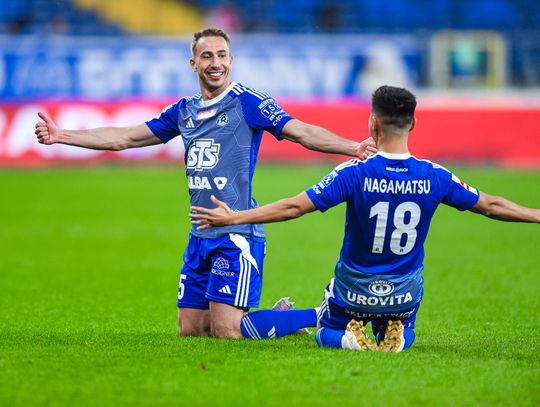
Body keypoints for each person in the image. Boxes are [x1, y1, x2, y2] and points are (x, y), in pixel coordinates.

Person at [34, 28, 376, 339]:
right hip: (199, 233)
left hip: (236, 231)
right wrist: (61, 135)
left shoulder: (248, 102)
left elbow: (300, 131)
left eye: (222, 55)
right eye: (207, 56)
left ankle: (319, 314)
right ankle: (277, 317)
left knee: (227, 331)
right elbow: (124, 137)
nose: (216, 63)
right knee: (193, 330)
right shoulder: (184, 110)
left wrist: (352, 148)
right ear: (193, 63)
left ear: (231, 61)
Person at [189, 85, 540, 351]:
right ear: (413, 123)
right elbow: (491, 205)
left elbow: (294, 207)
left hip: (353, 291)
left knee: (317, 327)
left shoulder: (354, 173)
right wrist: (536, 214)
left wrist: (234, 217)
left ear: (373, 123)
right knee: (405, 317)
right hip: (403, 293)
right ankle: (399, 336)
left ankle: (344, 337)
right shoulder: (436, 176)